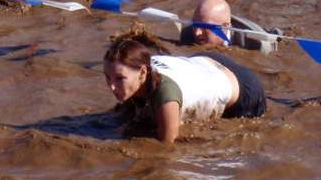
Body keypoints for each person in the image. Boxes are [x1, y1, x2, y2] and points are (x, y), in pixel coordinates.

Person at [103, 39, 267, 143]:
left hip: (244, 90)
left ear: (143, 73)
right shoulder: (138, 69)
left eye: (119, 79)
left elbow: (166, 149)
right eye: (107, 77)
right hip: (206, 61)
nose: (111, 86)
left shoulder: (166, 96)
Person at [179, 0, 279, 53]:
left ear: (225, 27)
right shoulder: (187, 35)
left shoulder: (255, 43)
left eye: (205, 27)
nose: (197, 33)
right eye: (195, 25)